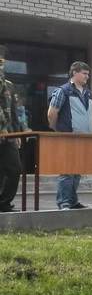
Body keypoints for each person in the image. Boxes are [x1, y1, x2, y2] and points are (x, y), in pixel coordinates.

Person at [47, 61, 92, 210]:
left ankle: (72, 201)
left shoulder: (87, 92)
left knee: (77, 170)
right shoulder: (63, 91)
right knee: (67, 170)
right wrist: (57, 129)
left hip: (84, 138)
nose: (87, 77)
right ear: (74, 73)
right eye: (84, 73)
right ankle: (64, 202)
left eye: (88, 74)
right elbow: (52, 112)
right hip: (68, 136)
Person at [0, 45, 22, 212]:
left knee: (14, 168)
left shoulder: (9, 84)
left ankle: (4, 202)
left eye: (2, 60)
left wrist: (17, 132)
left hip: (8, 134)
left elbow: (14, 111)